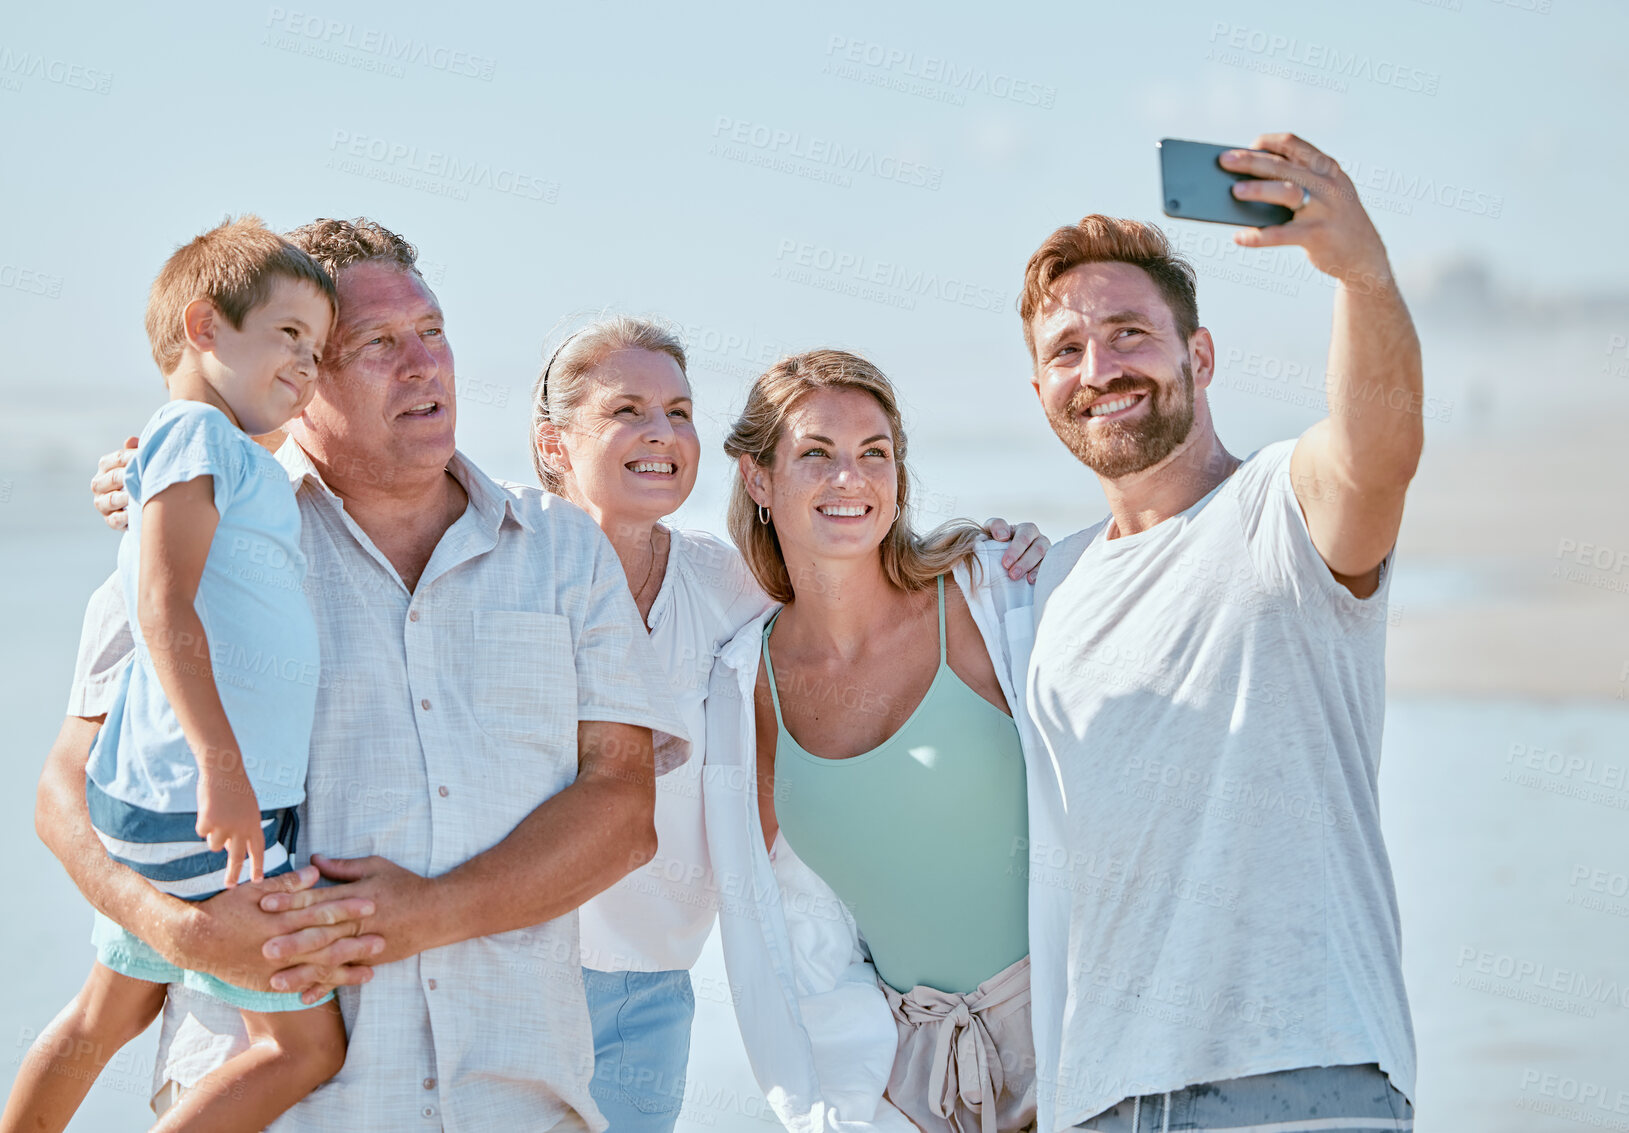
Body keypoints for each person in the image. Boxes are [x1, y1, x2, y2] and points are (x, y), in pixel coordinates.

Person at [33, 217, 687, 1132]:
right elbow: (65, 792)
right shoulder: (200, 524)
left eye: (431, 331)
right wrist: (175, 928)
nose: (423, 365)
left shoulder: (562, 551)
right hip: (272, 1102)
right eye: (377, 344)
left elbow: (622, 812)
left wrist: (425, 914)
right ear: (295, 380)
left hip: (515, 1101)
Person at [526, 318, 1051, 1131]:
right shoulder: (505, 576)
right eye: (626, 409)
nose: (849, 476)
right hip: (502, 960)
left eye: (677, 409)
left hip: (647, 993)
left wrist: (1019, 552)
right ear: (759, 478)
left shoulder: (740, 596)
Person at [1016, 135, 1421, 1131]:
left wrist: (1359, 274)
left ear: (1198, 354)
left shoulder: (1280, 507)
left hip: (1302, 1070)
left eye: (1128, 334)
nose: (1098, 367)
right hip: (1104, 1096)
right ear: (1040, 394)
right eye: (1066, 351)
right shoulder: (1046, 581)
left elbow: (1379, 451)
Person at [0, 217, 344, 1133]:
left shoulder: (223, 450)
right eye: (291, 336)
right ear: (203, 327)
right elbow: (162, 603)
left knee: (109, 1007)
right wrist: (223, 766)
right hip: (211, 808)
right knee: (306, 1047)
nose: (310, 366)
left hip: (169, 803)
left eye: (320, 351)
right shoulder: (194, 431)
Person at [703, 348, 1073, 1133]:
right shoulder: (744, 687)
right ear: (757, 479)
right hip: (913, 1086)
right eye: (816, 454)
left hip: (1076, 1033)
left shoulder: (990, 595)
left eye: (875, 453)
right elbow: (779, 933)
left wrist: (1057, 569)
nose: (851, 478)